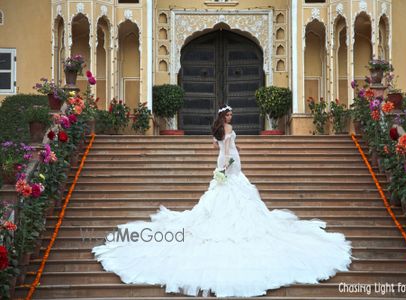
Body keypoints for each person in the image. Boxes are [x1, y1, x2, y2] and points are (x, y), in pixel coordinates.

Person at [92, 104, 354, 298]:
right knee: (231, 198)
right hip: (230, 164)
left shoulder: (219, 129)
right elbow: (227, 150)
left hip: (228, 163)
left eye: (230, 115)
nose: (230, 117)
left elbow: (220, 148)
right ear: (223, 117)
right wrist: (227, 165)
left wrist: (224, 162)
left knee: (229, 196)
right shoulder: (226, 129)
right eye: (228, 115)